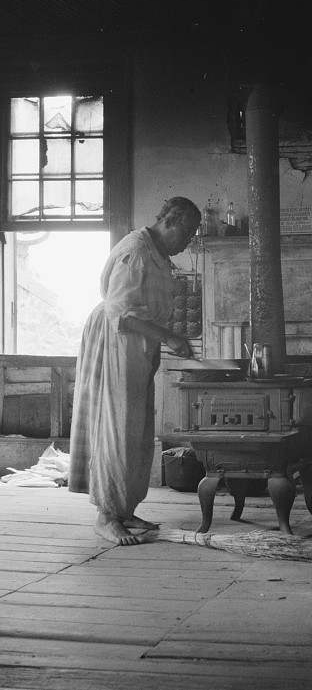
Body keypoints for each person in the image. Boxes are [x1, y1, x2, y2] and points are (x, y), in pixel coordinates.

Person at [68, 197, 202, 546]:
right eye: (186, 232)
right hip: (116, 339)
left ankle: (125, 509)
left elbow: (146, 313)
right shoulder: (136, 250)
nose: (188, 241)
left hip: (138, 343)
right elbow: (121, 314)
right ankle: (107, 517)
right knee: (118, 427)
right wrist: (170, 338)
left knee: (138, 431)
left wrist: (158, 345)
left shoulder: (159, 256)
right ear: (170, 221)